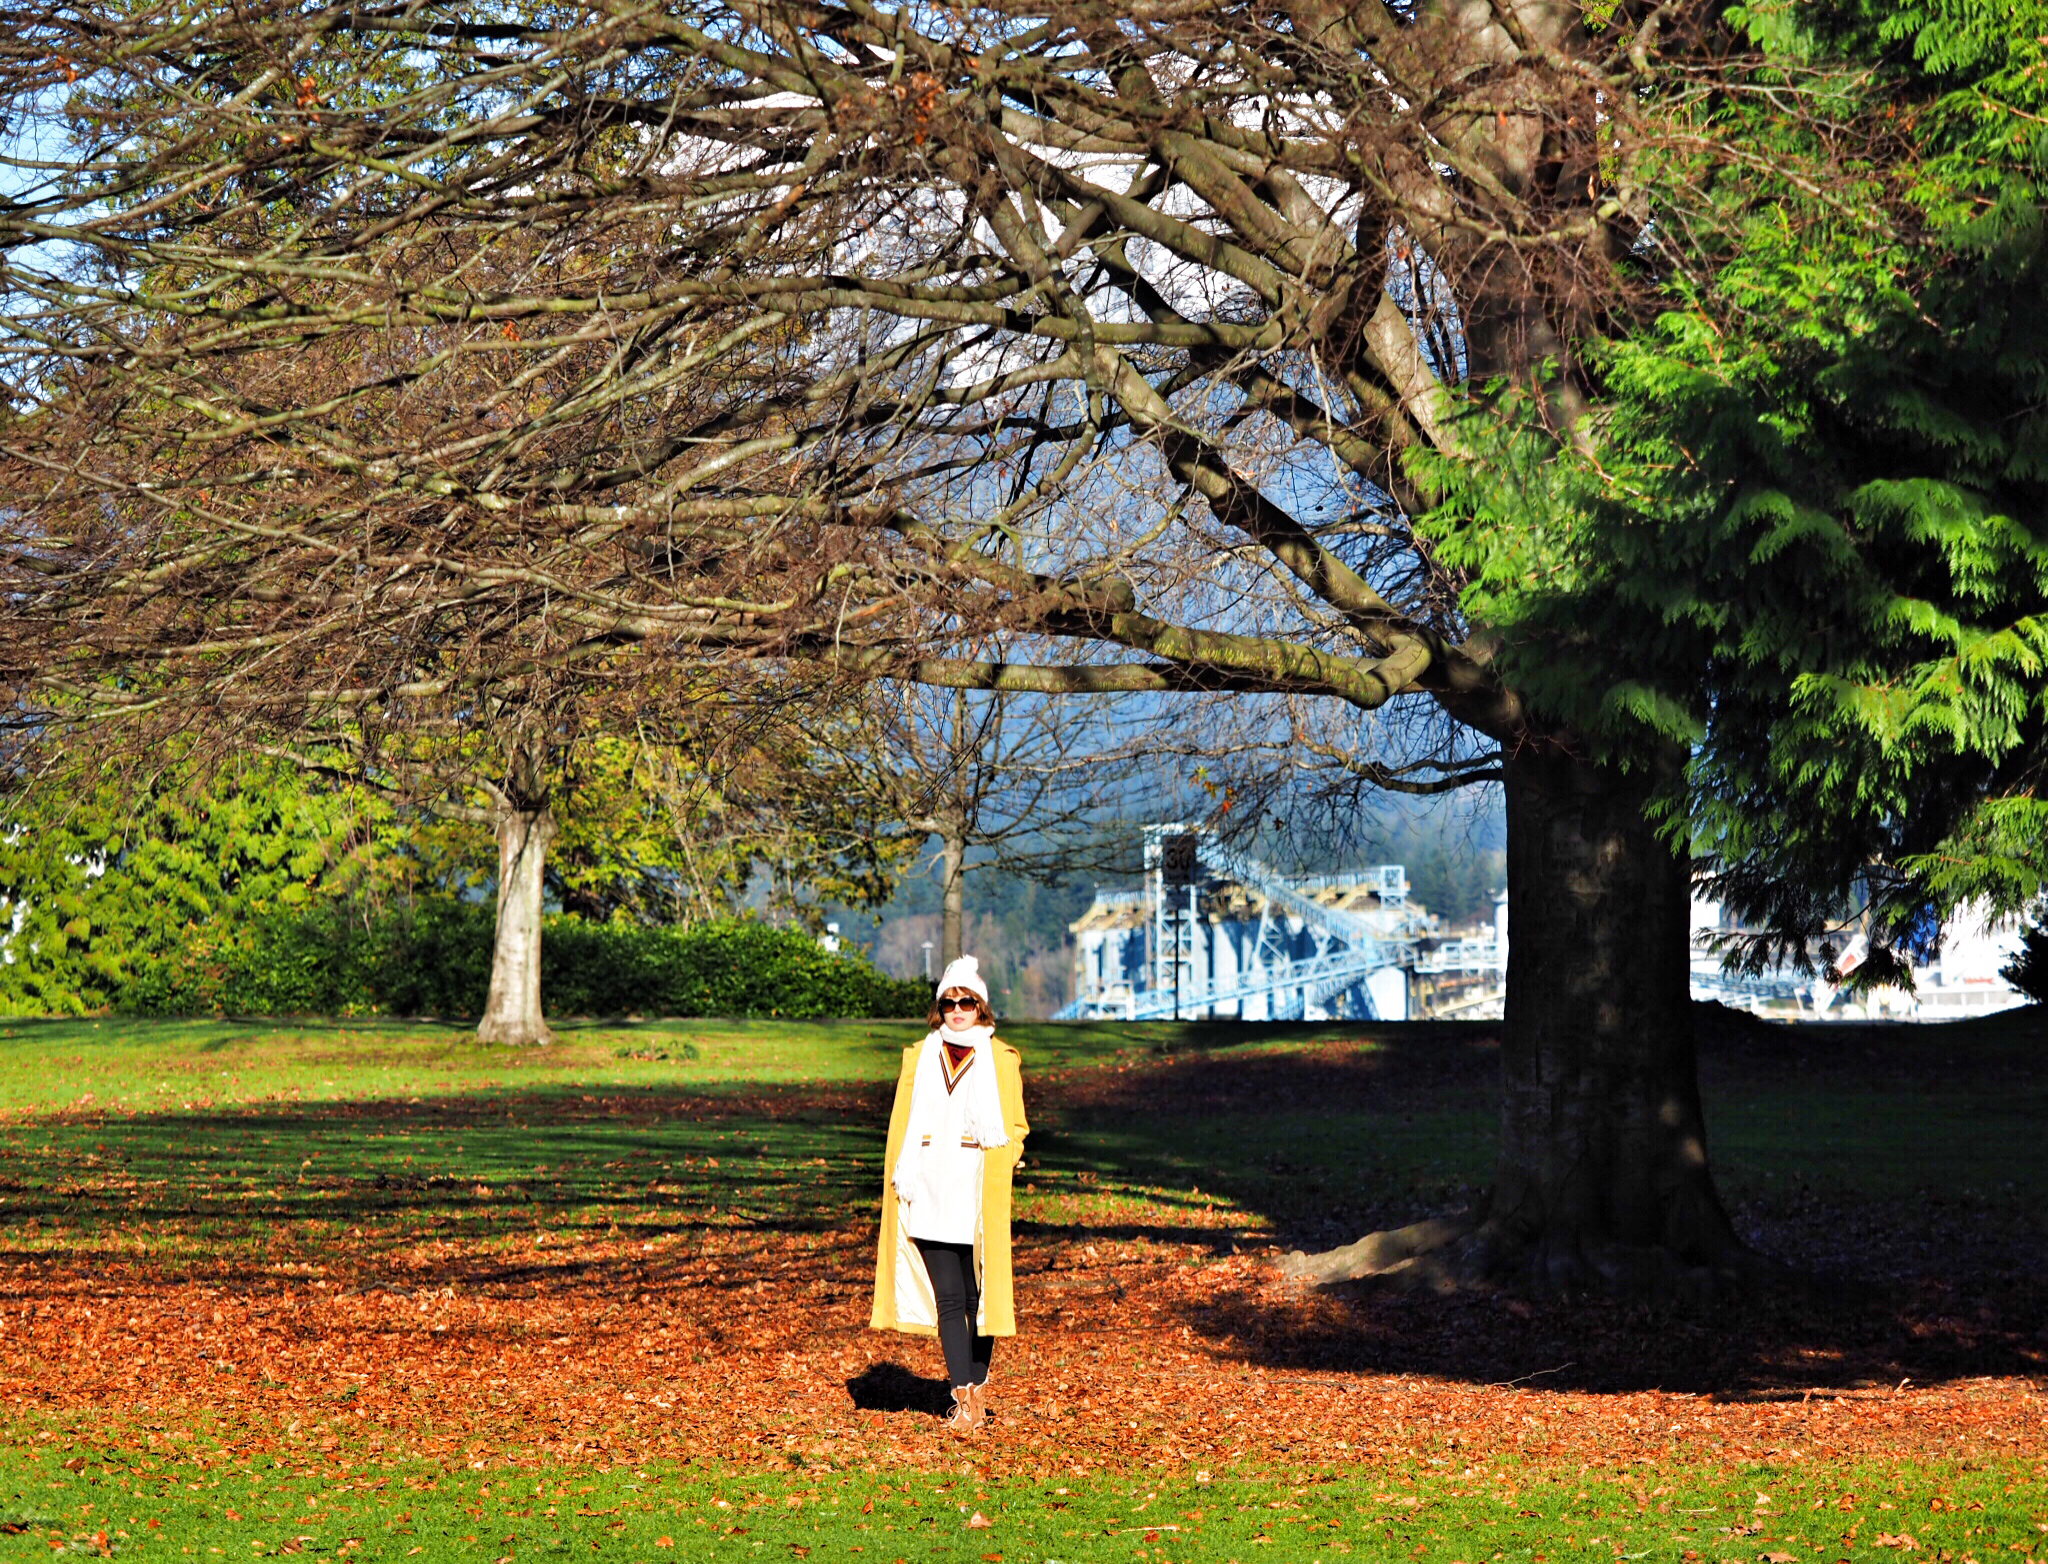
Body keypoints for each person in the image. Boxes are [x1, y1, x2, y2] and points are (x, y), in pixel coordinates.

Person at [870, 955, 1029, 1436]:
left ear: (981, 1007)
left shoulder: (1000, 1059)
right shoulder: (919, 1055)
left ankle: (977, 1388)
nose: (958, 1009)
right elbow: (902, 1122)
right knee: (949, 1297)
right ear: (939, 1007)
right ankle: (963, 1399)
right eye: (949, 1002)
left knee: (979, 1296)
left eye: (967, 1001)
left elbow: (1017, 1126)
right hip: (929, 1188)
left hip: (977, 1194)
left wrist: (1006, 1159)